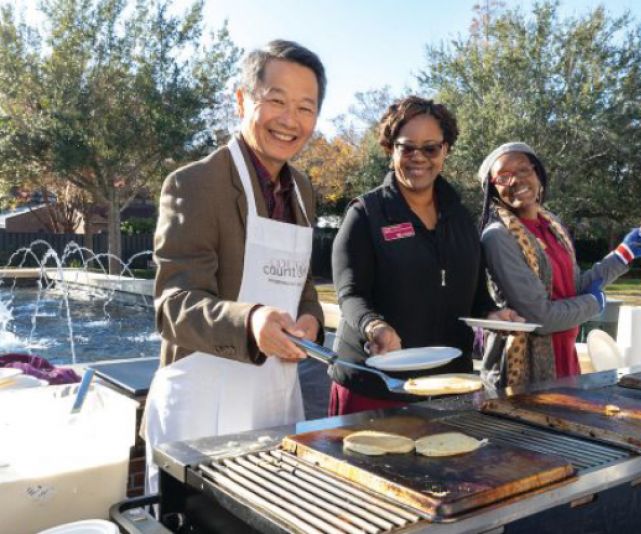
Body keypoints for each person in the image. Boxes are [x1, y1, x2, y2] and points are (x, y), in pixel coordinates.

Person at [143, 40, 326, 495]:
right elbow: (172, 307)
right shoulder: (195, 183)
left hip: (276, 399)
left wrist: (311, 323)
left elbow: (301, 287)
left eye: (306, 107)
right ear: (242, 99)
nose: (291, 120)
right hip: (203, 407)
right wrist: (251, 321)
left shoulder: (302, 189)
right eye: (277, 101)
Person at [329, 96, 520, 416]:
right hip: (376, 386)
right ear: (391, 151)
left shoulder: (459, 217)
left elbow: (474, 295)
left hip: (447, 385)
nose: (419, 157)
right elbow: (350, 294)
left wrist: (492, 315)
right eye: (407, 147)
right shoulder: (366, 213)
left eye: (430, 148)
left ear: (445, 151)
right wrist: (374, 326)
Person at [478, 142, 641, 390]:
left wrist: (623, 255)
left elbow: (575, 286)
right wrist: (595, 304)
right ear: (493, 190)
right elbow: (540, 317)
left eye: (524, 170)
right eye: (503, 177)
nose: (516, 180)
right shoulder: (498, 237)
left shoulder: (553, 226)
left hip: (565, 358)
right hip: (524, 371)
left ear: (537, 173)